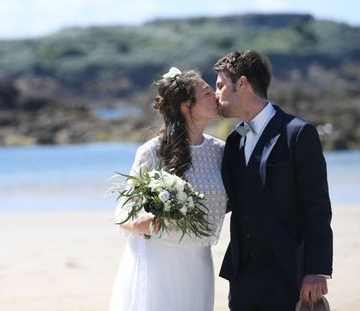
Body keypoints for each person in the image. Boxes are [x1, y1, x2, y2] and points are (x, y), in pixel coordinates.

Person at [213, 50, 333, 311]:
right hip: (241, 277)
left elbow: (317, 207)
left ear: (242, 84)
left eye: (221, 85)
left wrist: (316, 270)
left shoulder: (298, 133)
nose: (216, 94)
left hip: (288, 273)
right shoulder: (234, 142)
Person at [109, 67, 228, 311]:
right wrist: (148, 221)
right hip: (159, 258)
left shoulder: (221, 151)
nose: (215, 96)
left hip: (199, 260)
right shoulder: (152, 152)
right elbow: (123, 211)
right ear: (187, 105)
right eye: (207, 93)